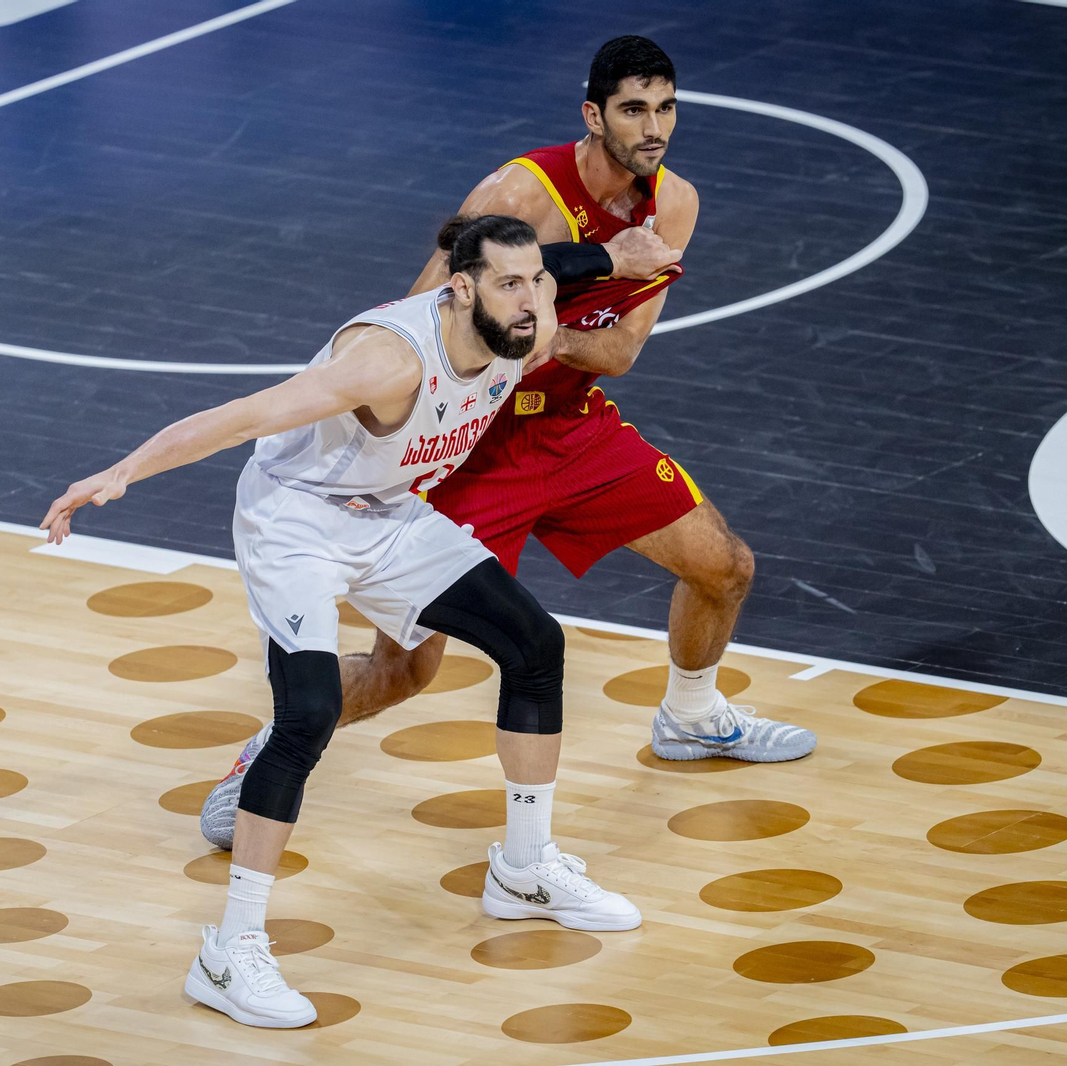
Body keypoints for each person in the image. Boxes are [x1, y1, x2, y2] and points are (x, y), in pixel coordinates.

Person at [202, 35, 814, 851]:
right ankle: (258, 765)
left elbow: (622, 351)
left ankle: (693, 716)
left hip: (570, 427)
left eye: (665, 108)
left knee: (724, 566)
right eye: (634, 109)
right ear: (593, 115)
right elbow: (421, 315)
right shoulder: (519, 193)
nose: (653, 127)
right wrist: (561, 296)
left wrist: (544, 338)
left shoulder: (676, 206)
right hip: (469, 444)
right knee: (403, 673)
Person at [41, 215, 641, 1030]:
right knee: (311, 714)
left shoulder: (521, 320)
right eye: (510, 284)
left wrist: (614, 256)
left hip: (387, 512)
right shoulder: (389, 359)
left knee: (536, 644)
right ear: (460, 291)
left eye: (537, 282)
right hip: (296, 521)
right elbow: (249, 416)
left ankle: (526, 869)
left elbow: (551, 267)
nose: (532, 298)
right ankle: (229, 951)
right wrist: (121, 472)